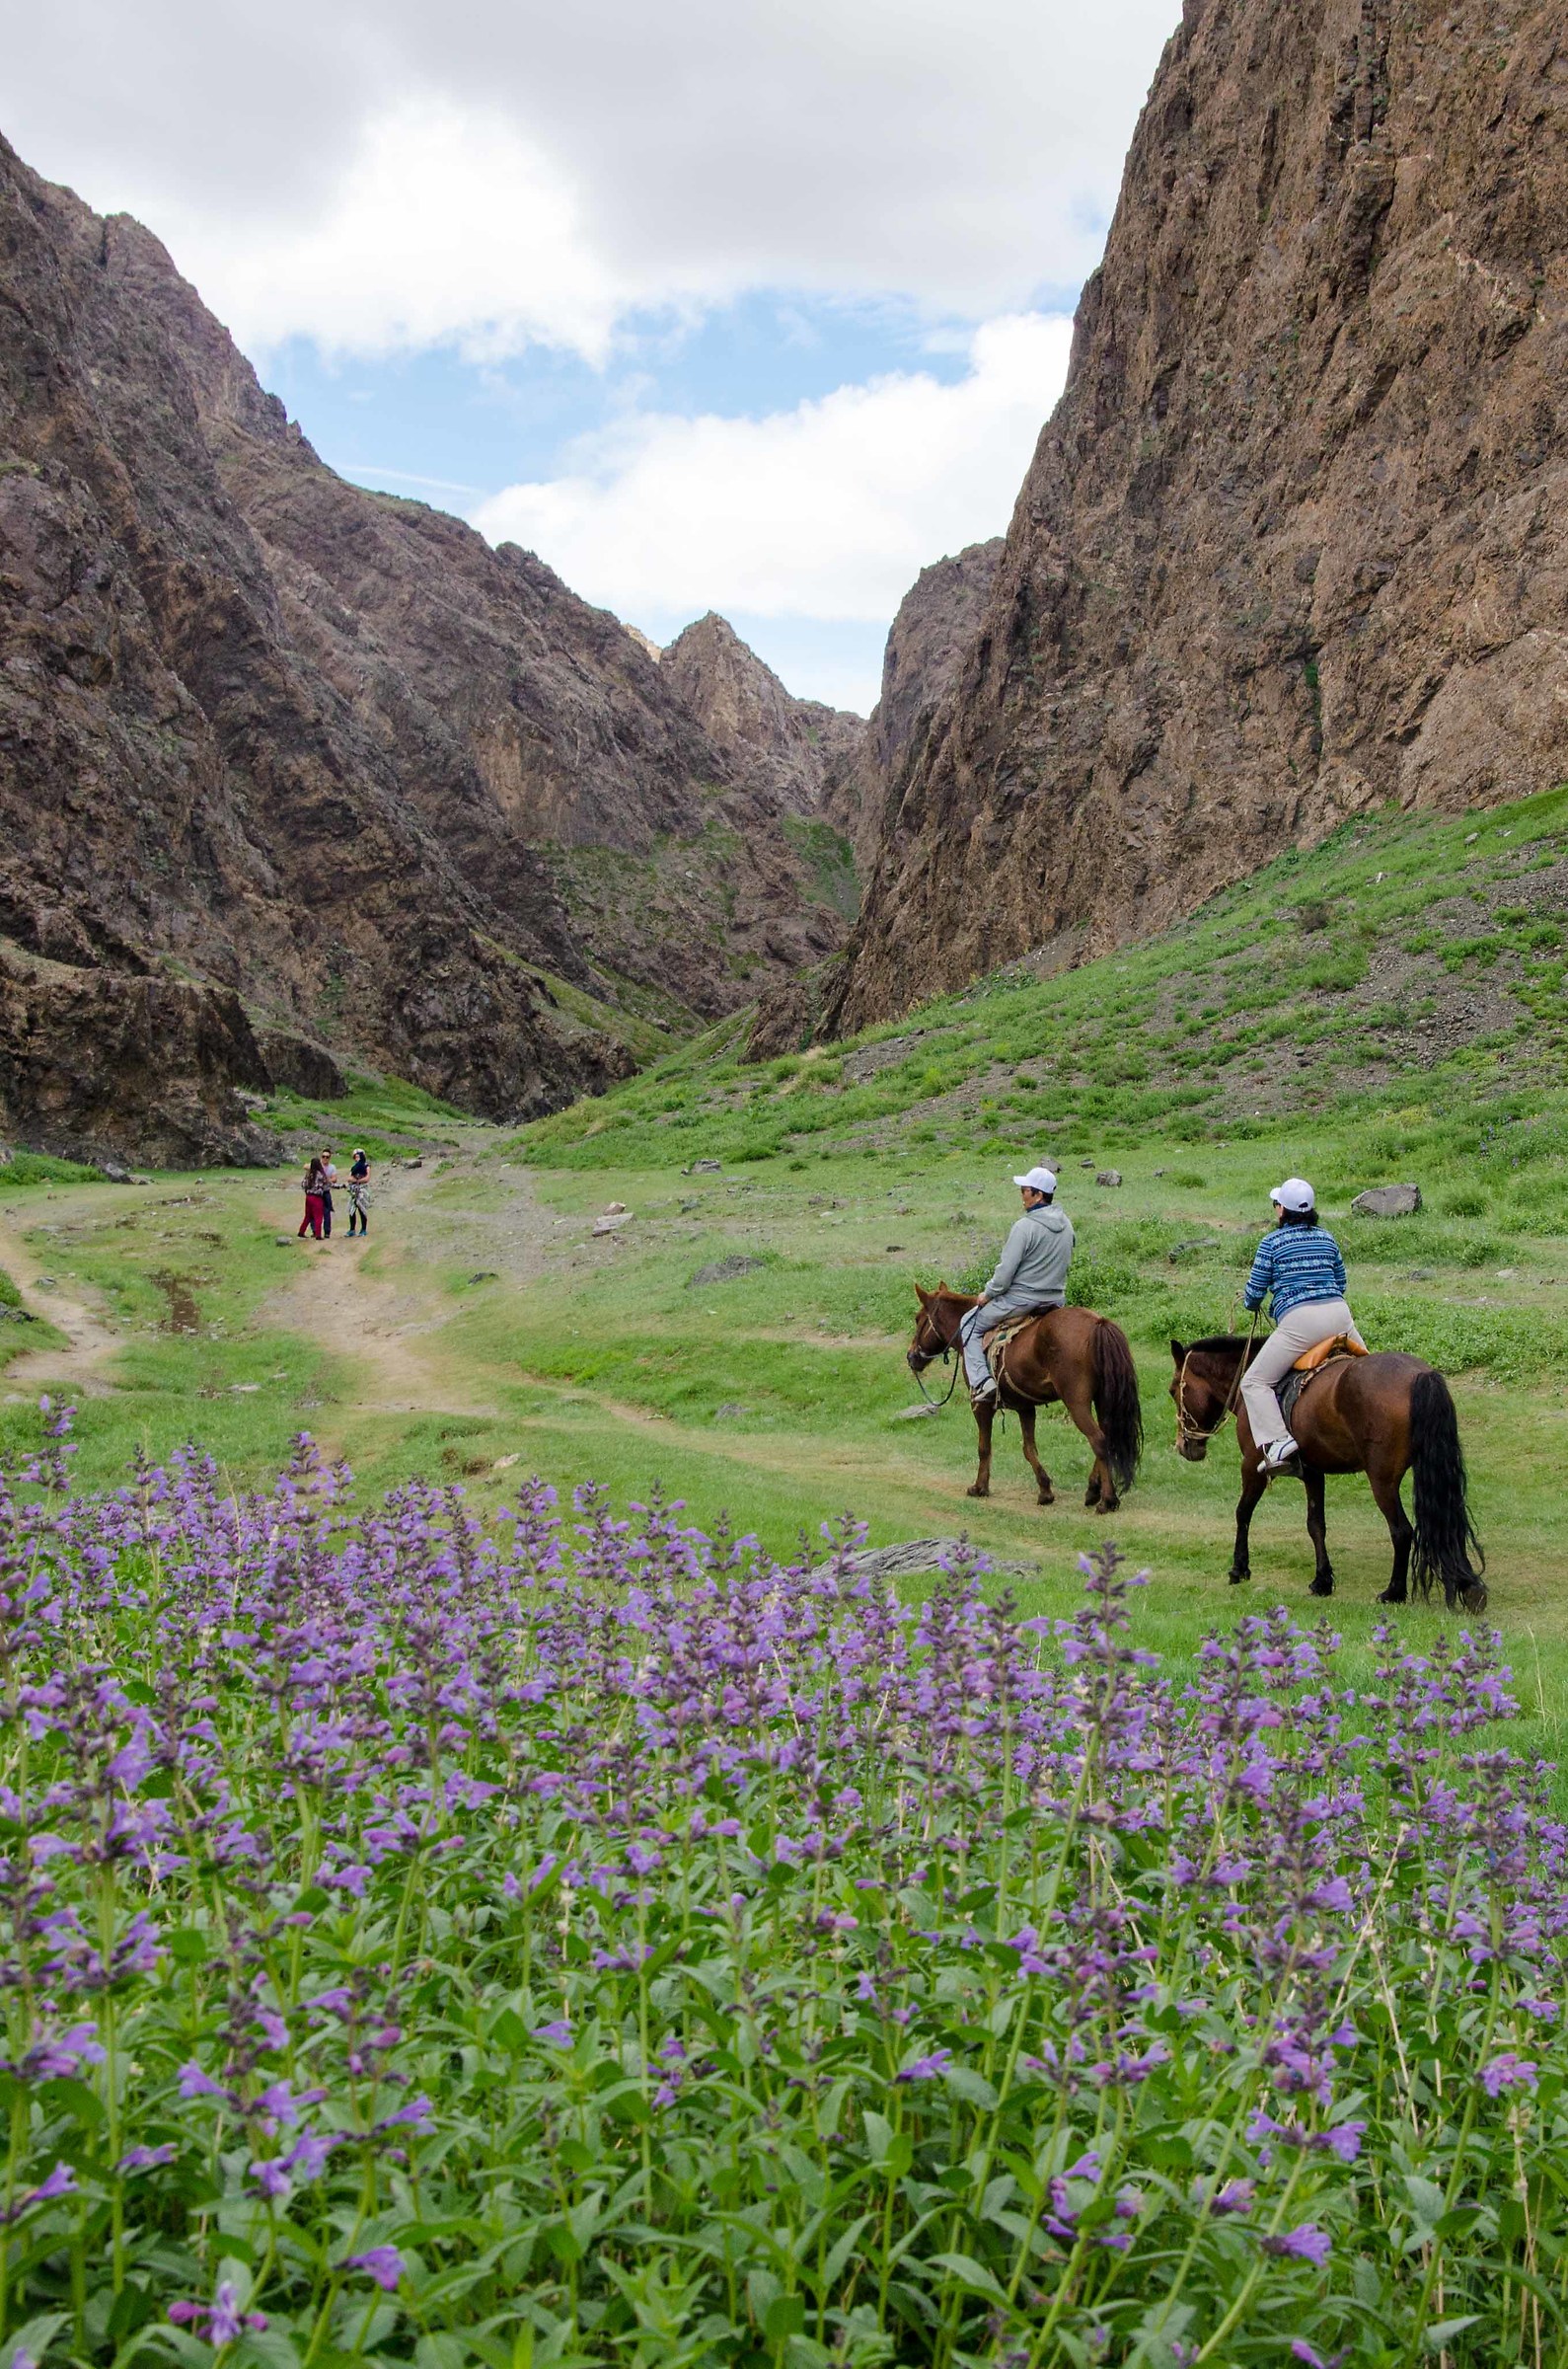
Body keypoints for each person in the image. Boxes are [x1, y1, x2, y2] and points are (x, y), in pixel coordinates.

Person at [1239, 1178, 1366, 1471]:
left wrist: (1250, 1303)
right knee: (1368, 1370)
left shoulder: (1271, 1242)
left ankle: (1279, 1442)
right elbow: (1341, 1282)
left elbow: (1255, 1292)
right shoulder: (1326, 1238)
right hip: (1339, 1315)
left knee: (1254, 1382)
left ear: (1282, 1210)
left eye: (1276, 1205)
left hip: (1300, 1322)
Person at [961, 1166, 1075, 1405]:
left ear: (1038, 1195)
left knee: (968, 1324)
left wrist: (988, 1293)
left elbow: (1004, 1274)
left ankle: (982, 1382)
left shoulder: (1024, 1227)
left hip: (1021, 1300)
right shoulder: (1067, 1224)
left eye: (1025, 1190)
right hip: (1056, 1299)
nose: (1021, 1195)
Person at [297, 1155, 327, 1241]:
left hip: (308, 1197)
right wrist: (341, 1186)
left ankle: (301, 1231)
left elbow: (303, 1185)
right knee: (318, 1216)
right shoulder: (320, 1175)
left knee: (308, 1216)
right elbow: (328, 1185)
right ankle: (318, 1234)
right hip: (317, 1198)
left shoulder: (308, 1174)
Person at [346, 1147, 372, 1236]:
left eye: (358, 1156)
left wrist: (357, 1180)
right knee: (351, 1210)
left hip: (363, 1190)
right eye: (355, 1157)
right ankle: (352, 1229)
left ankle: (363, 1229)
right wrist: (356, 1180)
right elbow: (349, 1178)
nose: (357, 1158)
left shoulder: (366, 1166)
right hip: (353, 1191)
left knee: (362, 1209)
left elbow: (367, 1178)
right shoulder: (354, 1167)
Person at [319, 1146, 339, 1240]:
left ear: (329, 1158)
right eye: (323, 1156)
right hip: (317, 1192)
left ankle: (327, 1232)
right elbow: (306, 1166)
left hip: (326, 1191)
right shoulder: (317, 1165)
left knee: (327, 1212)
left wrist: (327, 1179)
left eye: (327, 1157)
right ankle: (315, 1231)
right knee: (314, 1212)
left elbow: (335, 1179)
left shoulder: (332, 1167)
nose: (325, 1159)